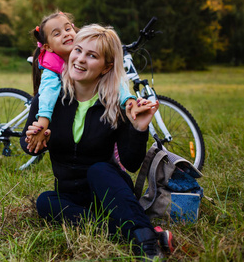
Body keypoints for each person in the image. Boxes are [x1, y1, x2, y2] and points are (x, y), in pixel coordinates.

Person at [21, 24, 173, 260]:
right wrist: (32, 141)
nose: (80, 60)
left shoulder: (115, 105)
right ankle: (126, 231)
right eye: (78, 50)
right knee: (45, 202)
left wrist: (139, 129)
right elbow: (27, 144)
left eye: (92, 56)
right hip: (71, 196)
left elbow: (131, 164)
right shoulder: (48, 100)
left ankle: (145, 237)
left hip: (108, 191)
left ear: (107, 67)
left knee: (99, 169)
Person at [28, 11, 139, 153]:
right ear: (48, 47)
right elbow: (48, 93)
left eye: (68, 29)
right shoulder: (51, 70)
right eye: (57, 34)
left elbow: (116, 79)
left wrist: (128, 99)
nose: (66, 34)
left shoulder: (93, 52)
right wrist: (43, 121)